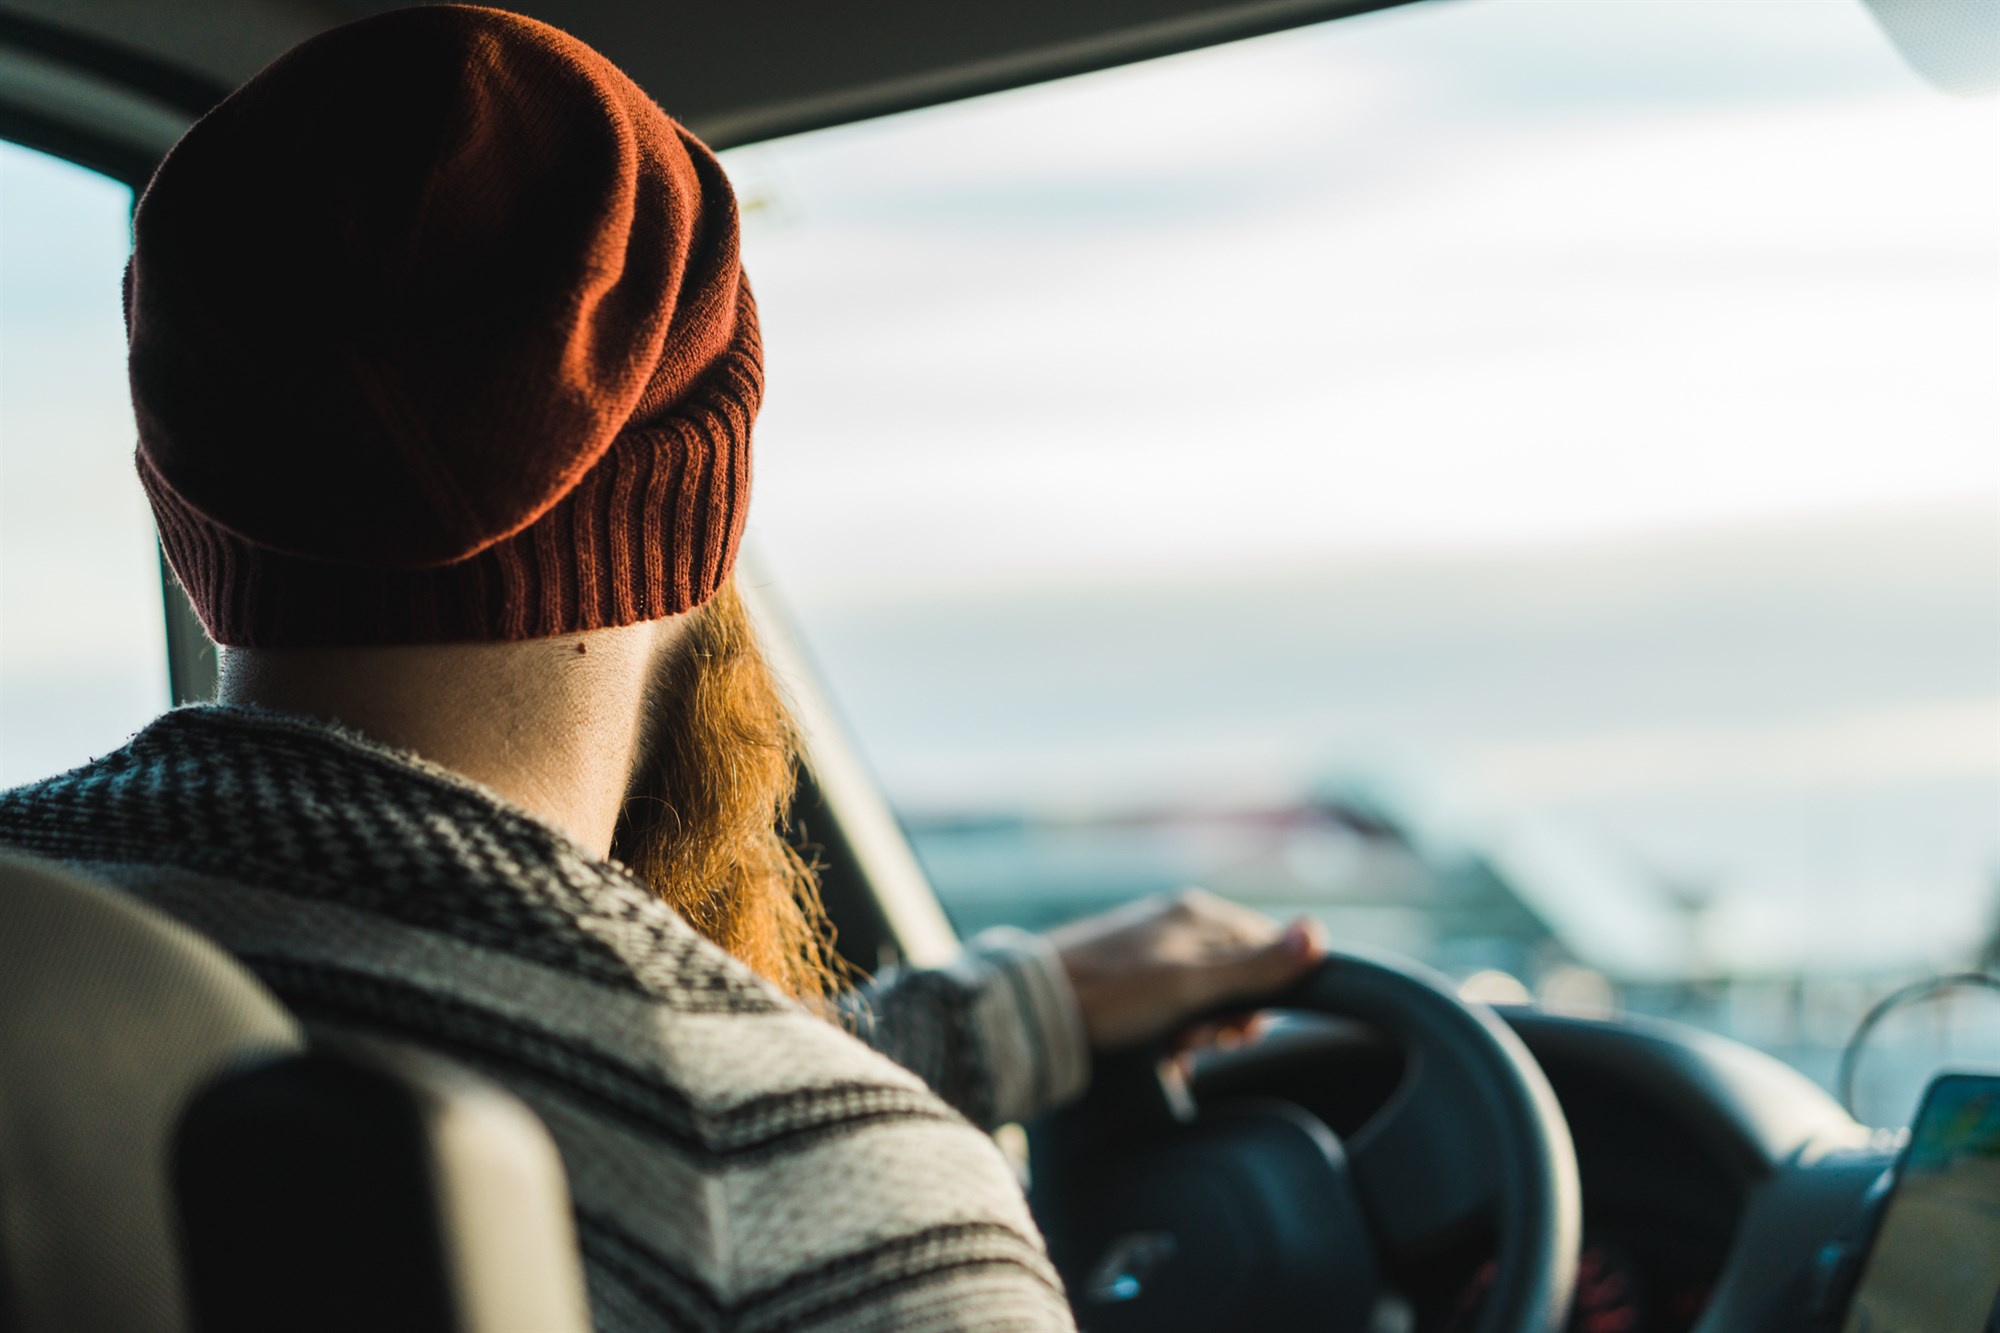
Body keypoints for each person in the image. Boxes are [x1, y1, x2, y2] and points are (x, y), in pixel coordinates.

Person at [0, 6, 1324, 1329]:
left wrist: (991, 1020)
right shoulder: (831, 1201)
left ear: (185, 505)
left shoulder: (45, 954)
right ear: (695, 518)